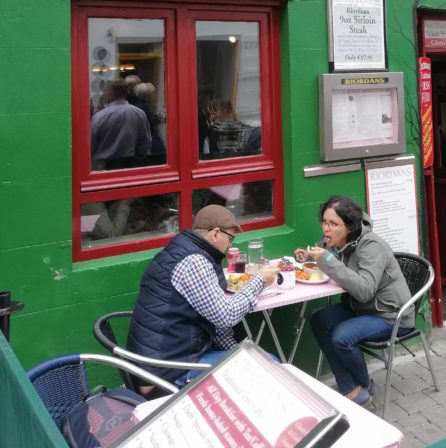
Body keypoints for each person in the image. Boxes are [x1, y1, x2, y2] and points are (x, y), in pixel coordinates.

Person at [127, 204, 279, 385]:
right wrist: (259, 280)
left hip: (165, 360)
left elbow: (213, 321)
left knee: (260, 359)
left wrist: (238, 350)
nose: (230, 244)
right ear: (215, 234)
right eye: (230, 238)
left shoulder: (183, 250)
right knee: (269, 366)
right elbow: (226, 316)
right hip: (164, 374)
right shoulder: (194, 262)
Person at [295, 196, 414, 408]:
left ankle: (365, 385)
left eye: (333, 224)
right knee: (319, 319)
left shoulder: (371, 245)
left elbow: (364, 290)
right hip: (362, 308)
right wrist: (311, 258)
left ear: (349, 226)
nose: (326, 229)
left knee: (342, 337)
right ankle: (350, 387)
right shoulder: (341, 242)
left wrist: (327, 260)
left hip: (389, 314)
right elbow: (332, 261)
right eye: (324, 222)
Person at [90, 78, 151, 170]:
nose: (103, 94)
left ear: (111, 94)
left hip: (104, 166)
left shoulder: (99, 116)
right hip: (130, 163)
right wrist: (142, 155)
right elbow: (145, 140)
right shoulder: (139, 113)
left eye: (105, 91)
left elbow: (91, 142)